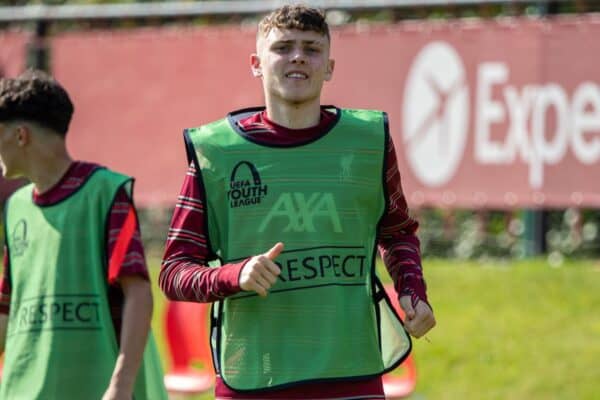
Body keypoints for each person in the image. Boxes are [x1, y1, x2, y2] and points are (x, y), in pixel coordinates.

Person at [160, 4, 435, 399]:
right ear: (256, 63)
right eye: (283, 48)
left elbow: (397, 233)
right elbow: (174, 271)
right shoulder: (216, 153)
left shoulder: (368, 140)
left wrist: (412, 289)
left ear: (329, 66)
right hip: (255, 378)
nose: (298, 58)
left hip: (352, 372)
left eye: (311, 48)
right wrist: (232, 276)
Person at [0, 70, 167, 400]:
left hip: (100, 388)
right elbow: (7, 311)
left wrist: (121, 384)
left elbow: (138, 293)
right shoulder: (15, 207)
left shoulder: (105, 193)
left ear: (20, 136)